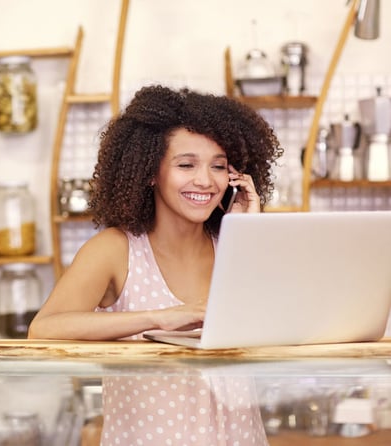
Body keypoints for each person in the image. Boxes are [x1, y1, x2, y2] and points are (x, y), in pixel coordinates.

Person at [28, 85, 283, 445]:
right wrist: (161, 317)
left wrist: (246, 233)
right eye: (186, 164)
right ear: (150, 172)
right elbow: (44, 330)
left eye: (219, 166)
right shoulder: (114, 250)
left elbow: (278, 330)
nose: (205, 181)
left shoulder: (234, 246)